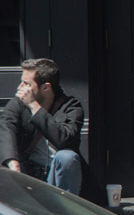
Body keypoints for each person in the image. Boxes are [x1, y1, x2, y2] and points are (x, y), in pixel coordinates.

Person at [0, 58, 84, 193]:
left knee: (67, 157)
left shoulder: (71, 107)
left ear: (45, 87)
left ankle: (66, 210)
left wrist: (34, 107)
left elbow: (65, 140)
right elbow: (6, 127)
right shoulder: (18, 104)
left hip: (56, 178)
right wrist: (12, 162)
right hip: (28, 175)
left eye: (26, 84)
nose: (19, 88)